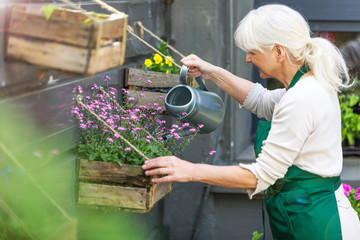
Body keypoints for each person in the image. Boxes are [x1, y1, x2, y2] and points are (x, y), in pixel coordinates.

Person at [142, 4, 360, 239]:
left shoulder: (301, 98)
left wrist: (188, 170)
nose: (247, 58)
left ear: (278, 52)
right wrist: (211, 71)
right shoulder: (308, 84)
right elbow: (260, 100)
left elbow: (259, 176)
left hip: (318, 225)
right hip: (312, 213)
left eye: (253, 52)